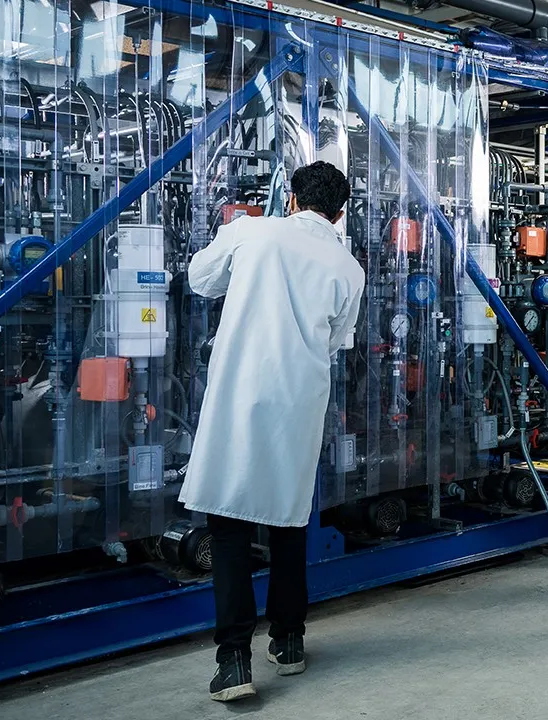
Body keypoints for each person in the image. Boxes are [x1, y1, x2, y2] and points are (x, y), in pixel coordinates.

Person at [178, 161, 366, 701]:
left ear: (293, 200)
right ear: (339, 214)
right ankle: (288, 641)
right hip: (298, 401)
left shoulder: (252, 231)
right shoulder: (348, 267)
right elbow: (337, 340)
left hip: (240, 393)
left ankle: (234, 662)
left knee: (230, 526)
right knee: (288, 522)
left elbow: (199, 280)